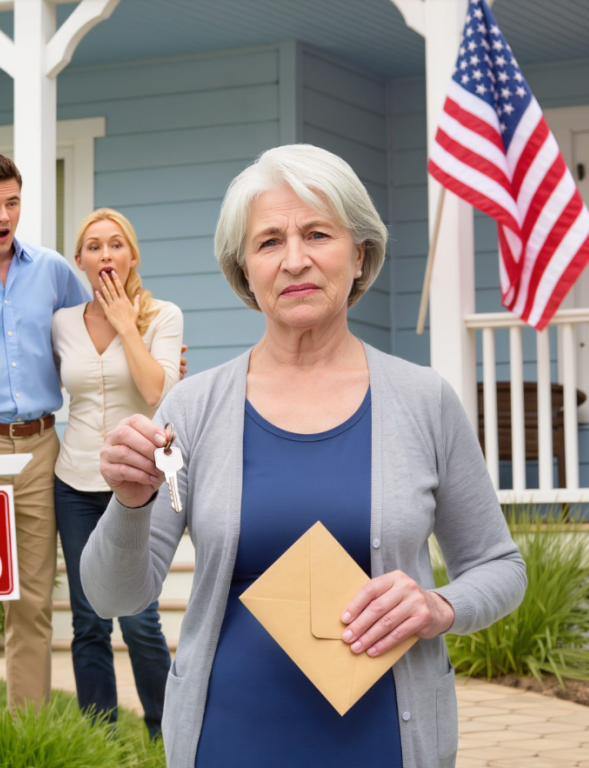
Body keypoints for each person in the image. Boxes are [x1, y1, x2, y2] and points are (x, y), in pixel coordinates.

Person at [81, 144, 527, 768]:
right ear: (244, 269)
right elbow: (113, 597)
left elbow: (500, 566)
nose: (295, 260)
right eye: (268, 242)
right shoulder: (192, 408)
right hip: (228, 740)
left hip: (388, 743)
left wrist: (439, 605)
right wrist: (129, 505)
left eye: (317, 233)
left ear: (359, 253)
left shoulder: (424, 400)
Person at [0, 153, 186, 718]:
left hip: (39, 449)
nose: (3, 216)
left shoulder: (51, 270)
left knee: (32, 602)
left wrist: (163, 363)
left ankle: (24, 735)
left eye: (12, 203)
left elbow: (93, 344)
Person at [52, 208, 182, 737]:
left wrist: (129, 324)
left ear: (132, 256)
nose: (105, 255)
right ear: (80, 260)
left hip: (133, 485)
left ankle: (165, 731)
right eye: (93, 246)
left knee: (139, 617)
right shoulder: (62, 323)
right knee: (88, 621)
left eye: (116, 245)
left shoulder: (164, 317)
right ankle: (98, 738)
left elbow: (158, 392)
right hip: (75, 481)